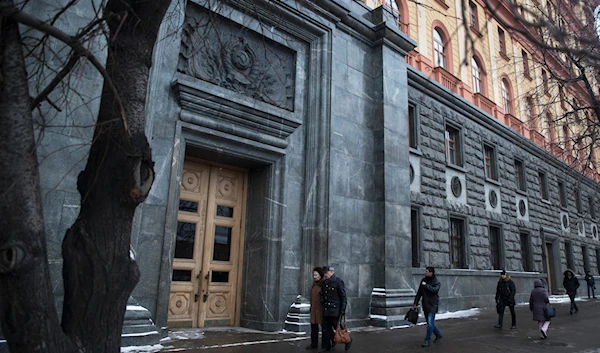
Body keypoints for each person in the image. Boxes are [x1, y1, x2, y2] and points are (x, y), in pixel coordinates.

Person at [319, 266, 351, 352]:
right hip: (326, 309)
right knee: (325, 329)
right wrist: (322, 300)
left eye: (326, 273)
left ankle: (348, 340)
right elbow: (323, 294)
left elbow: (343, 297)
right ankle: (326, 346)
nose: (325, 275)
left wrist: (342, 309)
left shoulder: (338, 282)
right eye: (324, 273)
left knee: (338, 328)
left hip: (335, 310)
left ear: (331, 272)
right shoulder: (325, 282)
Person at [413, 266, 441, 347]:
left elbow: (435, 290)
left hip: (433, 305)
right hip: (425, 304)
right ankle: (438, 334)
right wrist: (415, 302)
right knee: (430, 323)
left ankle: (427, 340)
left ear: (431, 273)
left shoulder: (436, 281)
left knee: (430, 323)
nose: (424, 273)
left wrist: (426, 286)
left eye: (426, 271)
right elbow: (419, 293)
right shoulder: (423, 281)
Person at [307, 267, 324, 350]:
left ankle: (332, 339)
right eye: (314, 275)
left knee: (324, 327)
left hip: (320, 309)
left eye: (316, 275)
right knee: (313, 327)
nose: (314, 276)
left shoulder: (323, 285)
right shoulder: (314, 284)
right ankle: (314, 343)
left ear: (320, 275)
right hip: (314, 308)